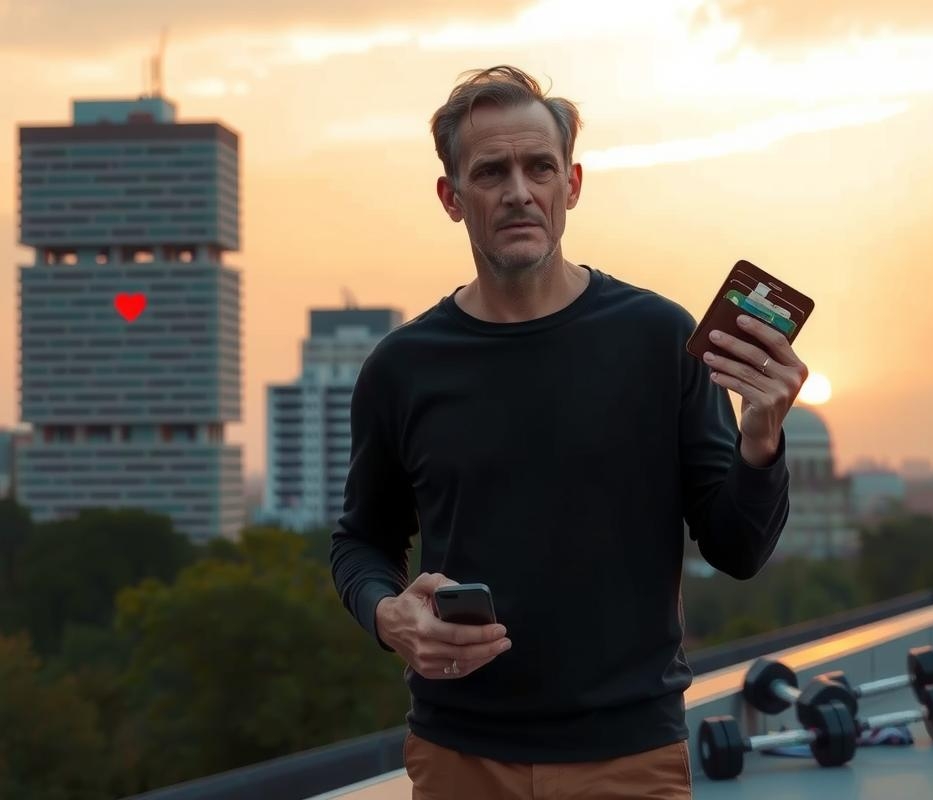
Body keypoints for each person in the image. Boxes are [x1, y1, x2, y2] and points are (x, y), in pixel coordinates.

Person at [330, 65, 808, 798]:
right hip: (459, 755)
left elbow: (737, 548)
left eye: (539, 167)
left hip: (628, 757)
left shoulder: (659, 338)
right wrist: (387, 614)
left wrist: (763, 440)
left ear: (572, 185)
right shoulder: (403, 366)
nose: (519, 191)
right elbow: (361, 540)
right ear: (451, 198)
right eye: (491, 172)